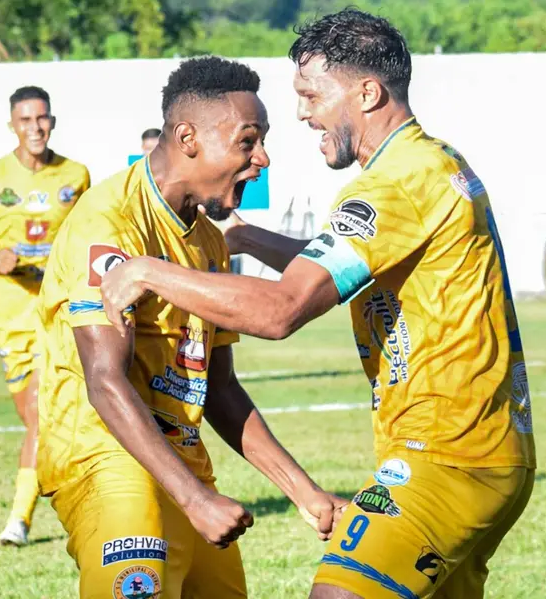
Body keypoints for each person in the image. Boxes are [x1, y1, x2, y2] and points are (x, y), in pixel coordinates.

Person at [98, 7, 537, 598]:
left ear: (366, 91)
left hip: (445, 455)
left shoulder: (391, 184)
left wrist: (150, 272)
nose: (303, 114)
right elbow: (348, 266)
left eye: (311, 95)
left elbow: (282, 311)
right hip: (491, 453)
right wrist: (248, 238)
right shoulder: (433, 160)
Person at [34, 55, 347, 598]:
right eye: (249, 141)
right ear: (188, 137)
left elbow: (220, 388)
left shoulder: (205, 241)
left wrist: (305, 492)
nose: (263, 158)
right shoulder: (106, 221)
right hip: (107, 456)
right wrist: (195, 499)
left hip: (181, 459)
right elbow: (105, 381)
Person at [0, 85, 91, 547]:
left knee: (43, 413)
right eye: (26, 120)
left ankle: (20, 518)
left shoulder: (77, 175)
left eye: (42, 118)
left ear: (53, 121)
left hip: (61, 310)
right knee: (33, 415)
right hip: (11, 313)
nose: (35, 128)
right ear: (12, 125)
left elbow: (90, 232)